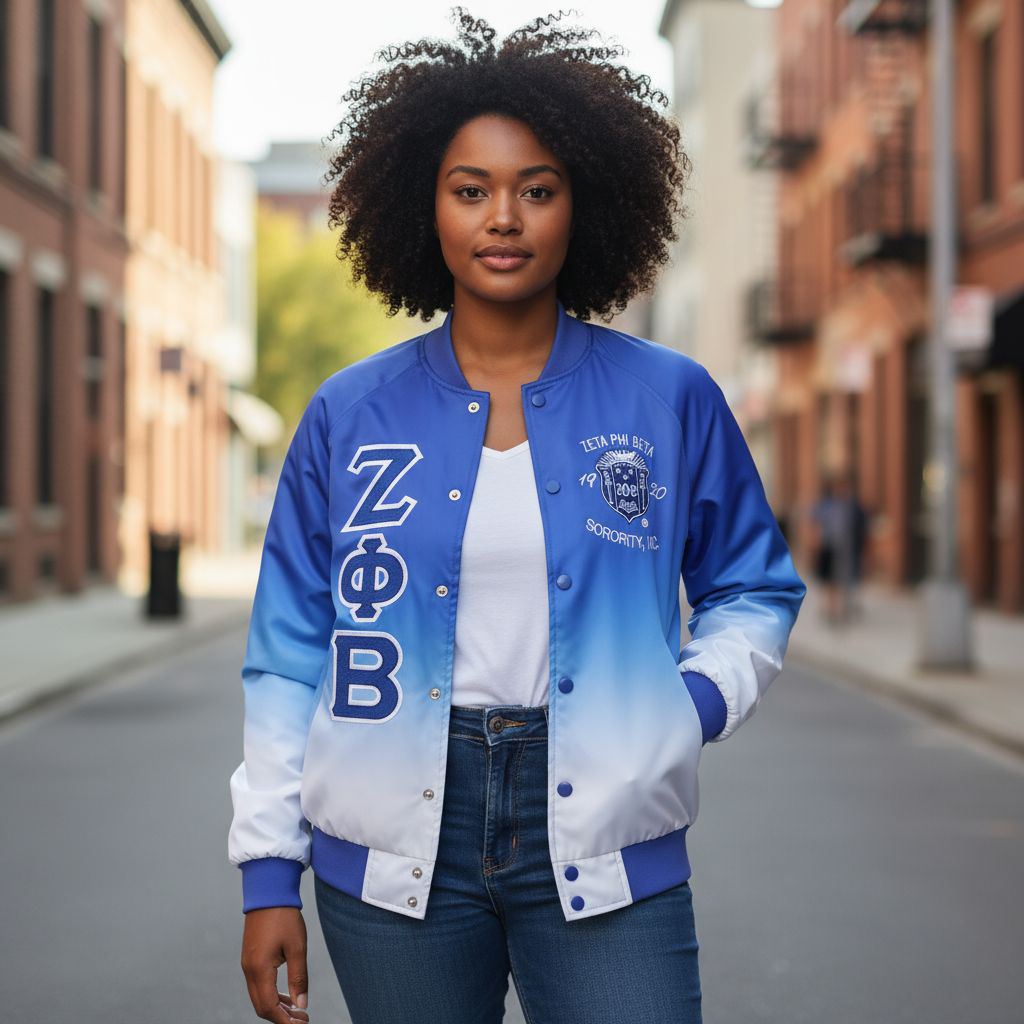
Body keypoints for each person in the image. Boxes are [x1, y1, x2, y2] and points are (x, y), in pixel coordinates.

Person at [228, 8, 807, 1023]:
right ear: (426, 205)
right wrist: (268, 869)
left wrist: (692, 704)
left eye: (537, 190)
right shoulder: (348, 413)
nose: (504, 217)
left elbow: (752, 585)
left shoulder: (667, 397)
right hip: (392, 852)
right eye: (471, 190)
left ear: (583, 205)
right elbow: (288, 653)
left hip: (609, 843)